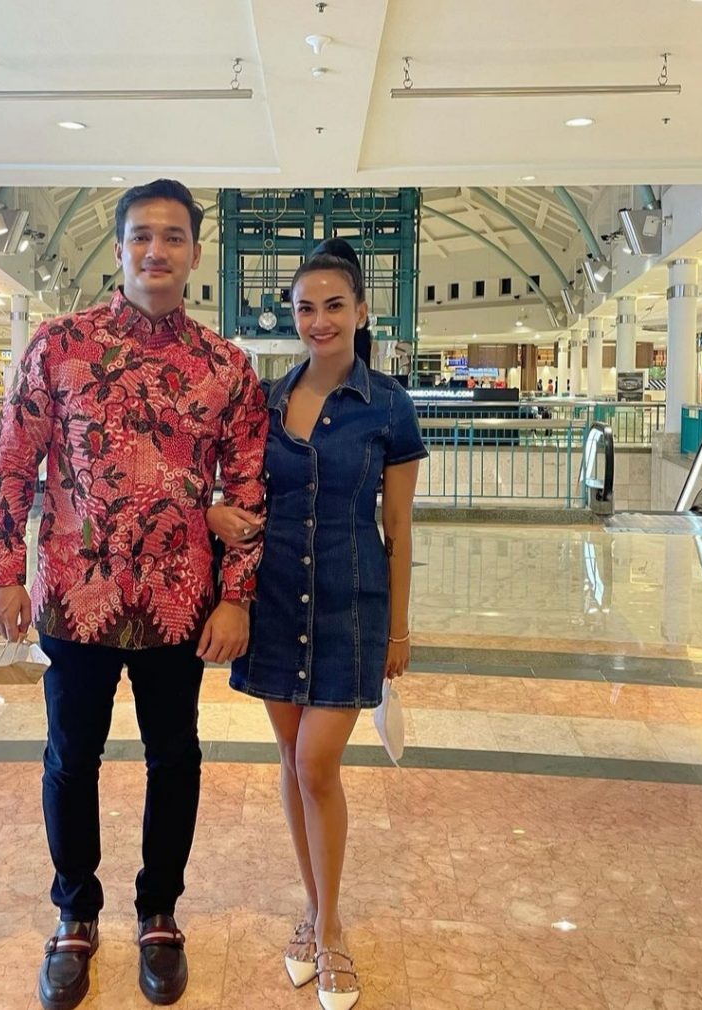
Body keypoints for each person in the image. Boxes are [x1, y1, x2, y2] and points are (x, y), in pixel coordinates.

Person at [0, 179, 267, 1010]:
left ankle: (159, 914)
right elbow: (12, 460)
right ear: (118, 248)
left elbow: (249, 489)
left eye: (173, 236)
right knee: (71, 757)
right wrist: (2, 570)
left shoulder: (226, 368)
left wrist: (237, 596)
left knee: (174, 756)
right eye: (142, 235)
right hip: (77, 598)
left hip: (181, 605)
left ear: (196, 254)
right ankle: (75, 913)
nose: (156, 250)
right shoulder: (60, 346)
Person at [208, 238, 424, 1010]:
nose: (320, 320)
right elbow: (233, 490)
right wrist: (218, 513)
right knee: (292, 759)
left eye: (335, 305)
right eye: (306, 307)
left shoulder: (389, 405)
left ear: (362, 312)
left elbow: (398, 526)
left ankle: (330, 929)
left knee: (317, 764)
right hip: (273, 601)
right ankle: (312, 908)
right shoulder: (264, 401)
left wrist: (399, 630)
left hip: (349, 602)